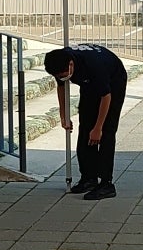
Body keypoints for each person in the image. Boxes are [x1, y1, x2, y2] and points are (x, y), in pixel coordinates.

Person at [45, 44, 128, 201]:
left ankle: (106, 184)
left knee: (106, 132)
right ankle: (89, 178)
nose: (62, 77)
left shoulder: (94, 65)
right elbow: (61, 88)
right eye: (58, 76)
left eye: (64, 74)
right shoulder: (58, 61)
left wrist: (98, 128)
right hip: (88, 85)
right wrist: (64, 116)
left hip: (113, 83)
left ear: (71, 65)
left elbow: (106, 97)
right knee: (85, 129)